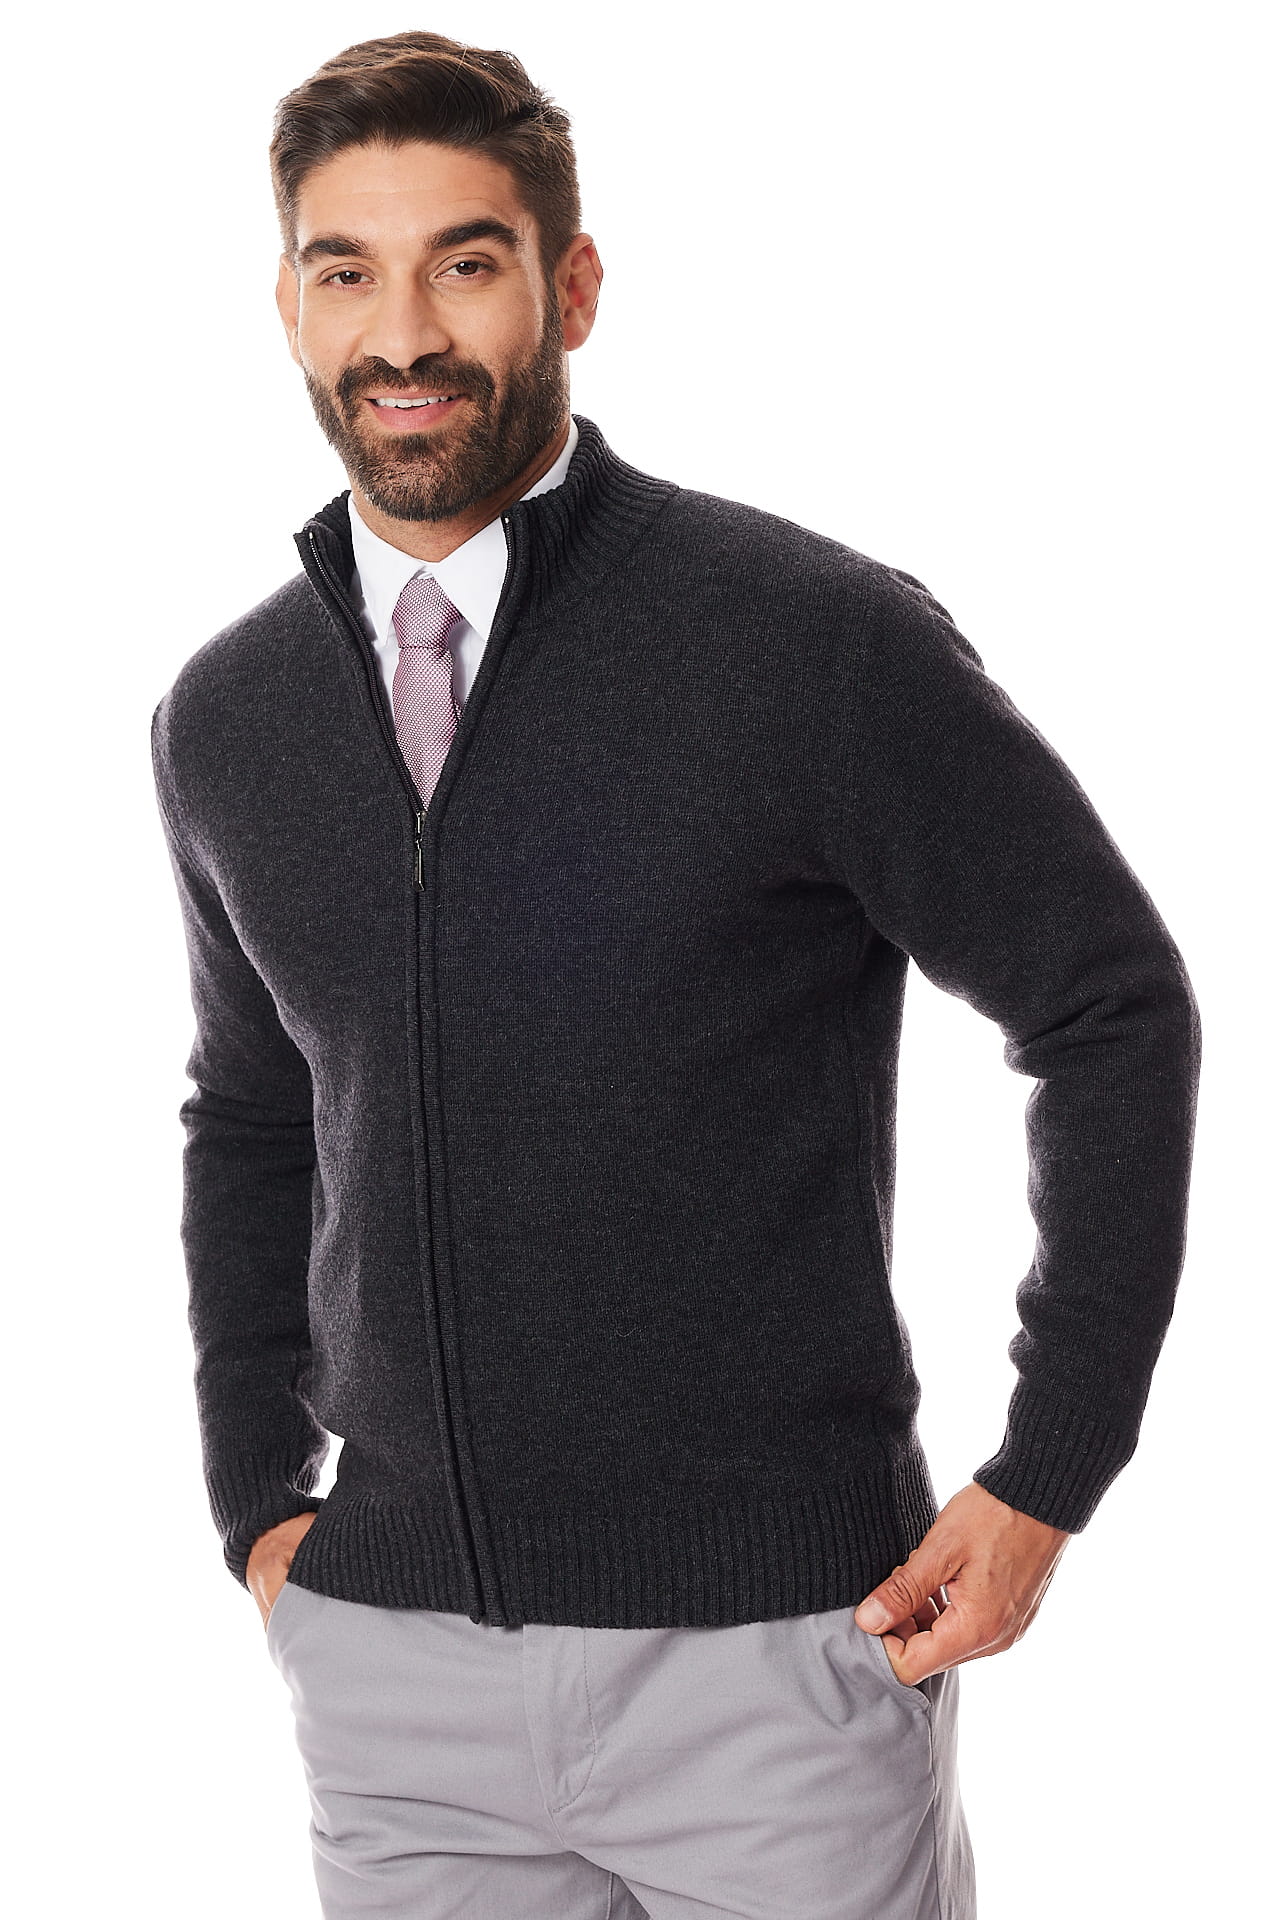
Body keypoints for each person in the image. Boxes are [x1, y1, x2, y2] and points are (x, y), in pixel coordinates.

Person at [149, 29, 1201, 1920]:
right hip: (393, 1686)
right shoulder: (227, 716)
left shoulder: (806, 643)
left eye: (466, 262)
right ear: (289, 308)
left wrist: (1049, 1468)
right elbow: (251, 1112)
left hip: (777, 1659)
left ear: (571, 288)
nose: (404, 333)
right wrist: (257, 1502)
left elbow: (1108, 1007)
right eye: (347, 271)